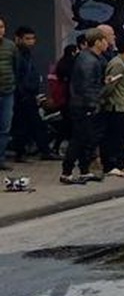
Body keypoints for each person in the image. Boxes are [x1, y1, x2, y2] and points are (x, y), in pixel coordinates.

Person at [62, 29, 108, 184]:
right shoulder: (89, 60)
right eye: (104, 40)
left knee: (86, 138)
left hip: (83, 103)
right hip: (84, 105)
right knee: (79, 138)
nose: (107, 43)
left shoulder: (89, 58)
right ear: (97, 42)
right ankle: (66, 172)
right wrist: (93, 104)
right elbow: (86, 86)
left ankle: (84, 170)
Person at [11, 26, 56, 162]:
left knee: (34, 124)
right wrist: (23, 91)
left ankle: (42, 151)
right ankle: (23, 153)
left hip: (29, 94)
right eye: (27, 39)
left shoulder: (26, 54)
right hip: (21, 96)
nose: (31, 42)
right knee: (24, 125)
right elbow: (18, 76)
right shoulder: (16, 55)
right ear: (18, 39)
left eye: (32, 39)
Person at [102, 35, 124, 178]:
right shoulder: (117, 64)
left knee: (122, 137)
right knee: (114, 137)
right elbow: (110, 86)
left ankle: (120, 163)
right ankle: (110, 165)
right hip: (116, 106)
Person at [0, 17, 16, 171]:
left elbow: (16, 67)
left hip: (7, 92)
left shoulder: (10, 46)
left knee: (5, 127)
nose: (1, 30)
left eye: (2, 27)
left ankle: (1, 158)